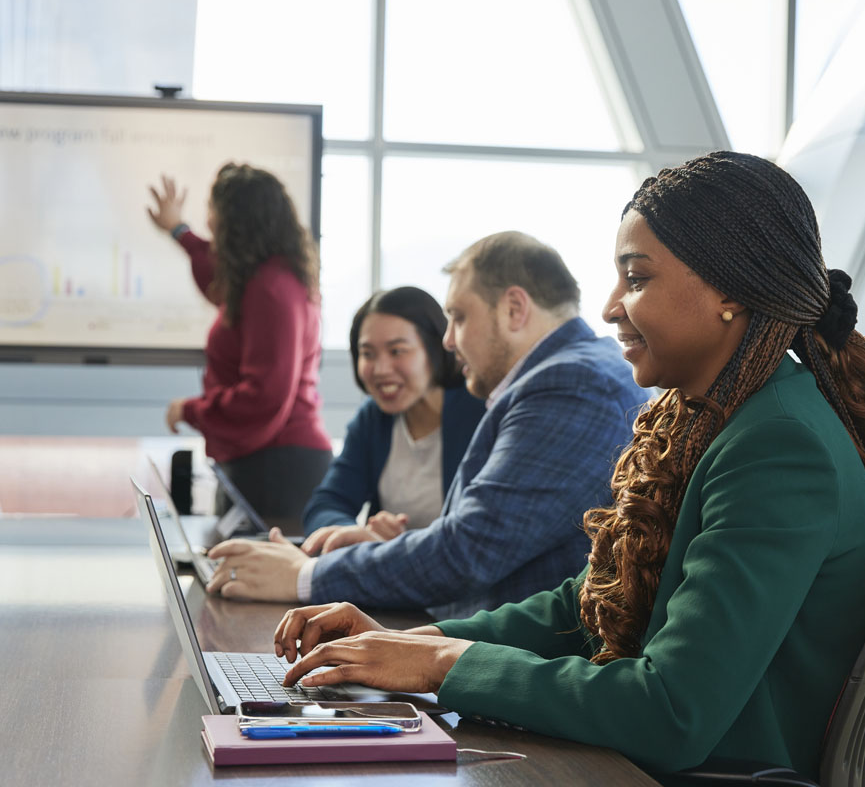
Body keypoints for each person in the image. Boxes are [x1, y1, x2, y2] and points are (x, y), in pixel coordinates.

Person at [269, 152, 865, 783]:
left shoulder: (780, 446)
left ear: (730, 291)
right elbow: (587, 604)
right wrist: (412, 644)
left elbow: (672, 712)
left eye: (638, 277)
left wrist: (445, 664)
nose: (611, 305)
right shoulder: (718, 416)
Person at [206, 231, 650, 616]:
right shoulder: (566, 374)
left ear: (515, 309)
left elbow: (469, 550)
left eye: (458, 316)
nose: (448, 339)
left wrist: (307, 576)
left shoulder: (570, 384)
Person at [147, 165, 332, 529]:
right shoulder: (265, 279)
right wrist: (179, 232)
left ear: (237, 222)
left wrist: (192, 410)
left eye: (214, 212)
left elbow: (264, 395)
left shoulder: (271, 290)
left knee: (246, 580)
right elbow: (213, 274)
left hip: (277, 467)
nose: (210, 223)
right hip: (269, 461)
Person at [300, 286, 486, 549]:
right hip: (391, 577)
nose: (380, 369)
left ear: (435, 349)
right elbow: (326, 504)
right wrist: (356, 534)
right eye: (367, 354)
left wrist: (408, 544)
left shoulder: (480, 411)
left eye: (397, 351)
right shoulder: (373, 418)